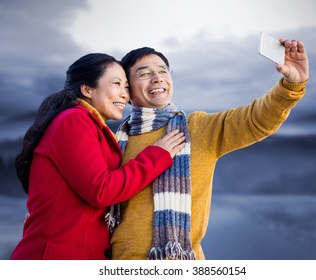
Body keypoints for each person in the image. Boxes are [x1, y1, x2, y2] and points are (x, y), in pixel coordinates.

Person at [109, 39, 309, 260]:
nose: (157, 78)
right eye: (144, 73)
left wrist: (291, 85)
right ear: (127, 90)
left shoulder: (196, 128)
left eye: (163, 71)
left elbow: (254, 119)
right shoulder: (114, 142)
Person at [10, 53, 186, 260]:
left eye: (126, 88)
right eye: (116, 84)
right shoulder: (73, 120)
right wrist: (158, 155)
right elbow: (101, 190)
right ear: (87, 89)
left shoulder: (92, 126)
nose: (125, 95)